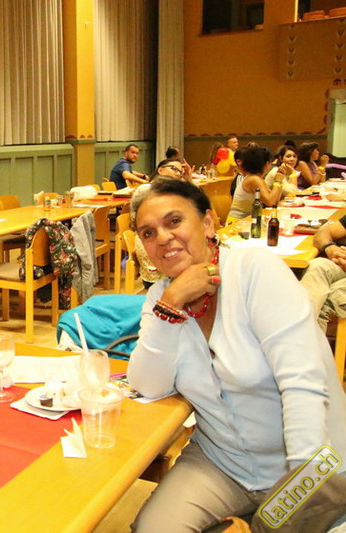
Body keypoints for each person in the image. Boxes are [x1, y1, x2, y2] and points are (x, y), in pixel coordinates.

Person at [127, 178, 346, 532]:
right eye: (148, 233)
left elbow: (302, 385)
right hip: (221, 461)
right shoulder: (160, 298)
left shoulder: (255, 270)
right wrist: (171, 304)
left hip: (309, 465)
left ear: (208, 223)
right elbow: (148, 386)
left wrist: (299, 490)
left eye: (174, 221)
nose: (163, 238)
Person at [300, 216, 346, 329]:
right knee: (318, 265)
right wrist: (330, 248)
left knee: (326, 301)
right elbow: (322, 234)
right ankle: (298, 327)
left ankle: (298, 333)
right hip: (341, 265)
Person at [226, 144, 277, 220]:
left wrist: (280, 178)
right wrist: (278, 181)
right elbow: (270, 202)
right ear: (266, 164)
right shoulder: (253, 179)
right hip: (237, 222)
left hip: (247, 221)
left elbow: (274, 200)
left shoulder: (256, 178)